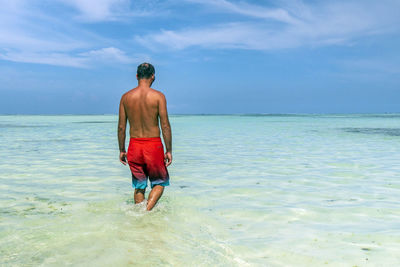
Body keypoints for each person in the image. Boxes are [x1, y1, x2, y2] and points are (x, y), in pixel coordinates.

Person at [118, 63, 172, 211]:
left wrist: (122, 150)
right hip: (153, 145)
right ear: (153, 76)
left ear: (136, 76)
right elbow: (165, 125)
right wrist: (169, 150)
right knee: (159, 182)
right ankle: (146, 212)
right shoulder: (158, 97)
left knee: (139, 186)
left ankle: (139, 216)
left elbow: (122, 127)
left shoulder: (126, 97)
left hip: (134, 145)